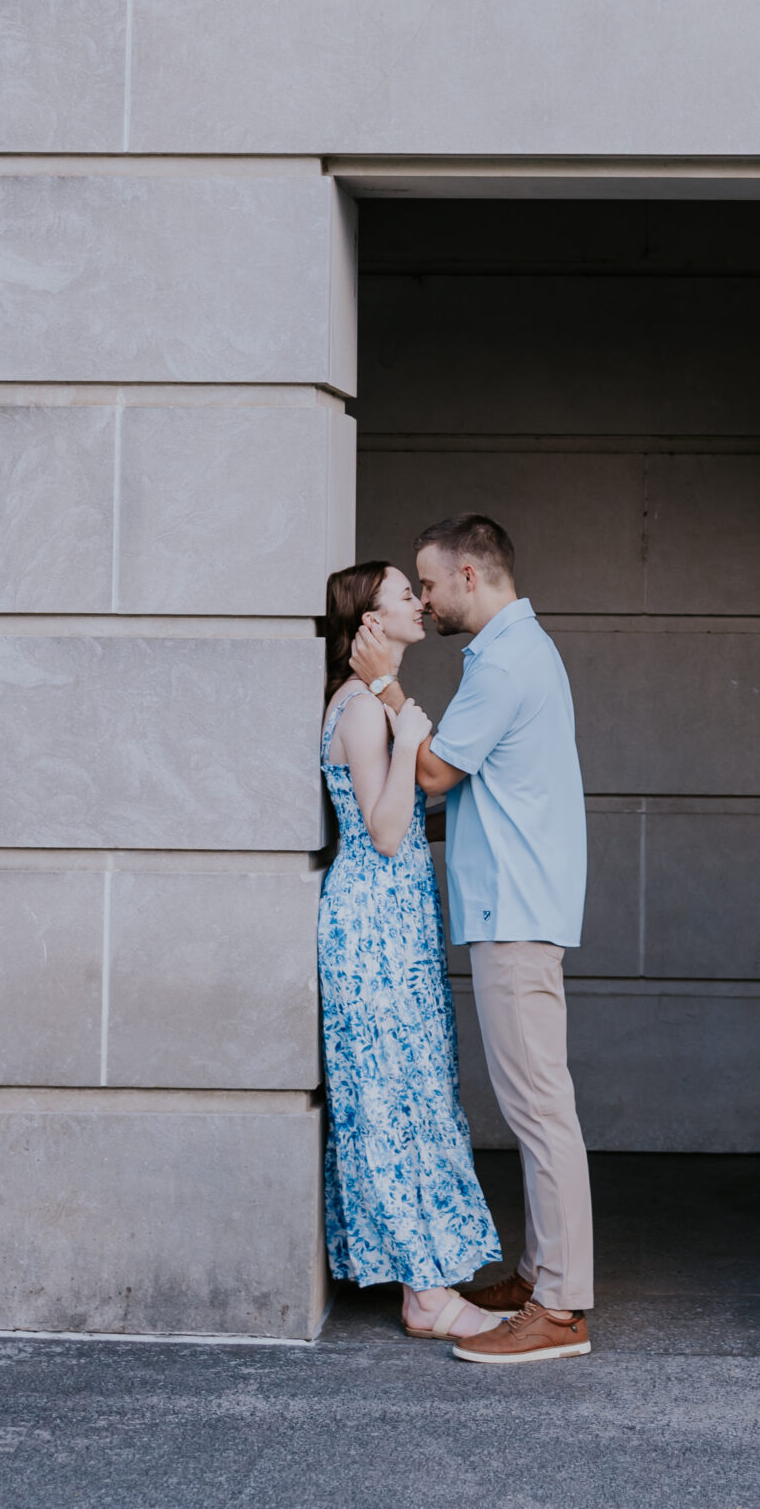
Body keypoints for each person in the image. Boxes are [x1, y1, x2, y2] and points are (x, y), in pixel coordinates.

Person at [351, 511, 593, 1365]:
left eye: (427, 581)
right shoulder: (510, 654)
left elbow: (433, 773)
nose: (422, 597)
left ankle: (560, 1311)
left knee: (538, 1109)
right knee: (534, 1104)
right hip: (514, 908)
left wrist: (383, 684)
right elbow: (473, 799)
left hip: (516, 916)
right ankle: (536, 1276)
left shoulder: (506, 663)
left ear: (469, 577)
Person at [317, 559, 507, 1341]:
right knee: (393, 1103)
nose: (418, 604)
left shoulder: (371, 707)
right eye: (403, 594)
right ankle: (424, 1298)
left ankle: (425, 1275)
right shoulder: (363, 711)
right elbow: (387, 832)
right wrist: (413, 737)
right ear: (368, 621)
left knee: (415, 1094)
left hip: (393, 923)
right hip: (370, 926)